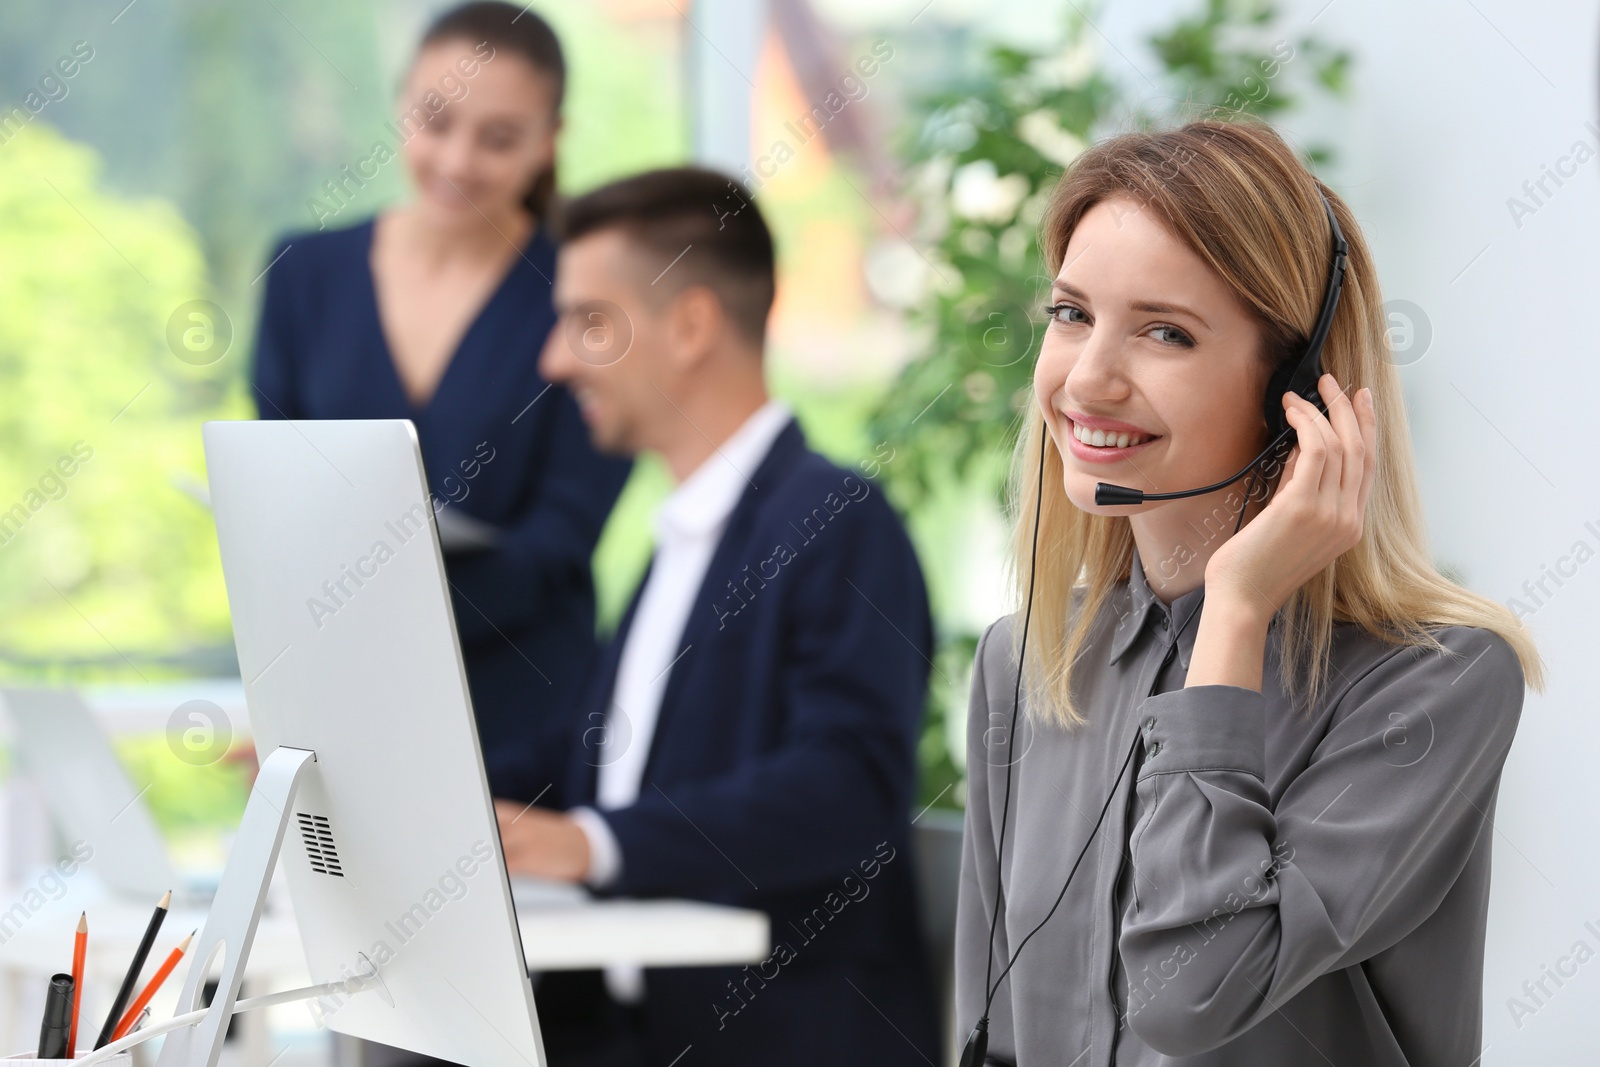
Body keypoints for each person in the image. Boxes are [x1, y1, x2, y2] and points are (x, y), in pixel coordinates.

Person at [953, 117, 1546, 1065]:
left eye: (1165, 331)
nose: (1088, 378)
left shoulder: (1436, 685)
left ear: (1295, 393)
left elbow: (1192, 994)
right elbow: (996, 1035)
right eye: (1071, 314)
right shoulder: (1026, 663)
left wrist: (1232, 614)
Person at [494, 167, 942, 1067]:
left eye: (589, 321)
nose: (555, 360)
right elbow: (597, 761)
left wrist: (590, 843)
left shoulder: (837, 522)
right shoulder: (681, 539)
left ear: (691, 324)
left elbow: (846, 789)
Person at [251, 2, 631, 806]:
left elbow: (561, 538)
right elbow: (276, 502)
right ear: (400, 107)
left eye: (499, 138)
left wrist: (371, 615)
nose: (458, 160)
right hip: (344, 708)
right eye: (435, 121)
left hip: (522, 718)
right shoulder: (303, 275)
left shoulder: (585, 294)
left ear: (550, 140)